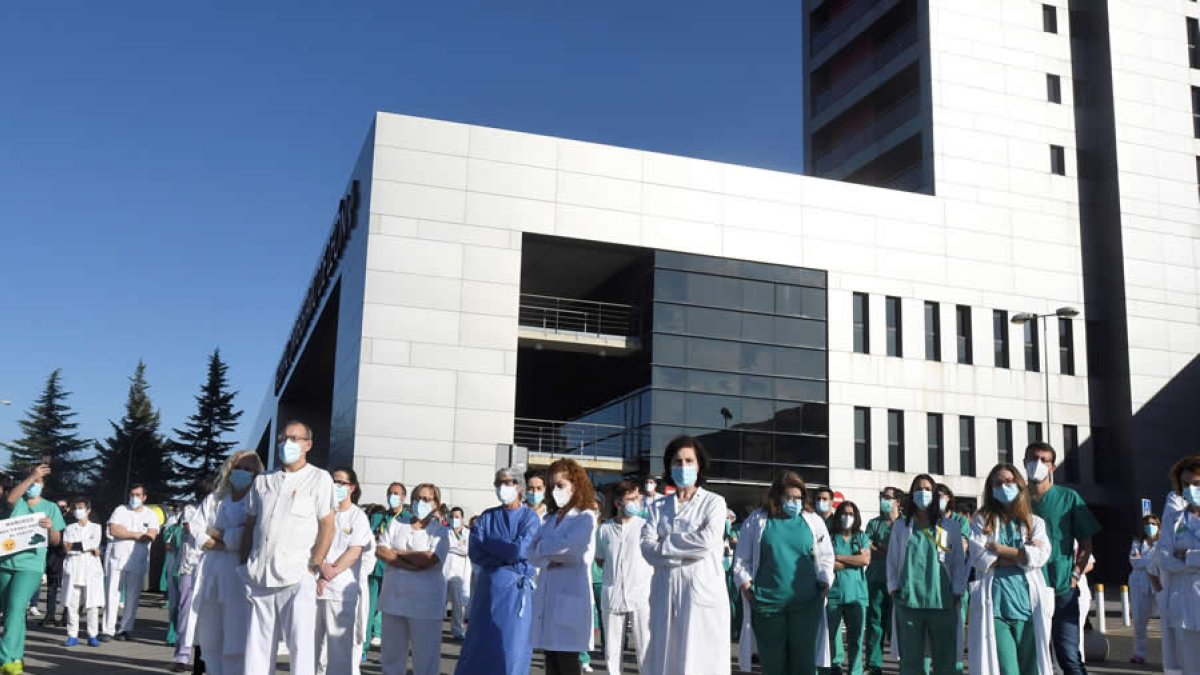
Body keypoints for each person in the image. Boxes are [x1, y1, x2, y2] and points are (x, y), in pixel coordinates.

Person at [240, 421, 336, 675]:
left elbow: (327, 525)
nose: (287, 443)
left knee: (300, 647)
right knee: (256, 648)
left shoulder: (319, 478)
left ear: (308, 445)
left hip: (296, 575)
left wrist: (314, 565)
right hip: (260, 575)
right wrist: (243, 563)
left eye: (295, 438)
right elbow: (250, 524)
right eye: (283, 438)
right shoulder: (263, 480)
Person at [641, 436, 731, 675]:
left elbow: (706, 541)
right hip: (665, 591)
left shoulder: (714, 503)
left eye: (689, 461)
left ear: (699, 464)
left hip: (700, 593)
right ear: (669, 467)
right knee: (665, 658)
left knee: (700, 661)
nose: (683, 467)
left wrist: (666, 544)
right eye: (677, 462)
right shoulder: (657, 507)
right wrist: (681, 550)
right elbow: (646, 548)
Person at [732, 470, 833, 675]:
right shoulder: (758, 520)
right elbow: (742, 559)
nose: (793, 502)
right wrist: (748, 588)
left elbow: (826, 557)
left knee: (804, 664)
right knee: (773, 664)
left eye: (798, 498)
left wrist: (823, 584)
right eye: (789, 497)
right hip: (768, 605)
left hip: (806, 604)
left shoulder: (812, 521)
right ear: (777, 496)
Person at [967, 462, 1053, 675]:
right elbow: (979, 557)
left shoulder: (1035, 523)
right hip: (996, 608)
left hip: (1029, 608)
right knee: (1008, 670)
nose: (1004, 486)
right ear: (991, 489)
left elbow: (1040, 557)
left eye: (1008, 481)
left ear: (1019, 485)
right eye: (998, 483)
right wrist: (1021, 555)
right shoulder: (982, 520)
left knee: (1031, 670)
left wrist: (999, 549)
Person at [453, 468, 541, 675]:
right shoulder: (487, 516)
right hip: (488, 591)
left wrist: (491, 546)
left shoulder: (530, 518)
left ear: (519, 487)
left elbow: (519, 550)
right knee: (479, 645)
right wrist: (506, 551)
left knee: (512, 648)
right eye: (499, 482)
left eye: (509, 482)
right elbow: (475, 552)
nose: (504, 487)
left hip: (515, 592)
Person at [1024, 442, 1100, 675]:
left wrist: (1076, 575)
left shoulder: (1068, 498)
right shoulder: (1016, 500)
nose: (1037, 463)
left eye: (1044, 460)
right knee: (1030, 655)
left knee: (1067, 655)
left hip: (1062, 587)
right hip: (1026, 587)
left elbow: (1086, 542)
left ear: (1052, 467)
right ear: (1024, 462)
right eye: (1033, 458)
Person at [886, 474, 967, 675]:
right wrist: (894, 587)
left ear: (935, 494)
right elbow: (893, 559)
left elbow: (957, 561)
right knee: (911, 662)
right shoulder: (901, 526)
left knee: (944, 661)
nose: (923, 493)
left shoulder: (948, 527)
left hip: (942, 601)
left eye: (927, 489)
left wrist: (957, 590)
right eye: (918, 489)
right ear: (911, 495)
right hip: (909, 602)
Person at [192, 450, 262, 675]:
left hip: (237, 573)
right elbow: (196, 528)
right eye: (239, 468)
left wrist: (218, 535)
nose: (243, 473)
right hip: (210, 570)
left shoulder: (258, 501)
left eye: (249, 469)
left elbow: (248, 536)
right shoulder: (216, 499)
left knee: (235, 635)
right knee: (209, 636)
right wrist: (221, 539)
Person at [528, 459, 597, 675]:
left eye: (561, 485)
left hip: (571, 596)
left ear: (576, 485)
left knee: (566, 660)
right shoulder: (549, 519)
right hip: (548, 597)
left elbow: (571, 551)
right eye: (553, 486)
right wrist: (550, 553)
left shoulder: (585, 516)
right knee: (550, 657)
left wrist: (545, 550)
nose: (556, 490)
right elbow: (530, 551)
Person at [377, 482, 450, 675]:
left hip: (424, 604)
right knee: (391, 655)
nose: (421, 503)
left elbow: (428, 559)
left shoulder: (440, 531)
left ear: (436, 503)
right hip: (394, 599)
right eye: (417, 498)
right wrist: (410, 561)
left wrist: (398, 553)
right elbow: (381, 550)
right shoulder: (397, 523)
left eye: (426, 499)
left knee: (425, 657)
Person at [0, 463, 65, 673]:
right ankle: (16, 659)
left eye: (38, 481)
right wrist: (31, 476)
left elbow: (56, 541)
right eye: (31, 481)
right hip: (6, 564)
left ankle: (5, 660)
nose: (34, 485)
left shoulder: (50, 507)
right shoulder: (16, 501)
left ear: (43, 485)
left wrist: (50, 528)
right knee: (11, 613)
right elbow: (9, 499)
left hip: (31, 566)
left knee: (17, 607)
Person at [316, 468, 372, 675]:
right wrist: (321, 568)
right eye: (334, 481)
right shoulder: (322, 512)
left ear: (352, 487)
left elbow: (354, 551)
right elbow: (312, 544)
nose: (337, 486)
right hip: (315, 587)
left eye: (342, 483)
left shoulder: (358, 517)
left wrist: (329, 574)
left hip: (340, 591)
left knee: (338, 650)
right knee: (310, 648)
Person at [595, 480, 651, 675]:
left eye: (637, 498)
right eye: (631, 499)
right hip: (613, 594)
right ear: (618, 503)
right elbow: (600, 559)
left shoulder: (645, 527)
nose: (636, 502)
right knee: (612, 649)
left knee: (645, 647)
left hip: (641, 594)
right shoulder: (604, 529)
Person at [1153, 454, 1200, 673]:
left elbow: (1175, 558)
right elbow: (1164, 558)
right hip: (1184, 605)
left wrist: (1186, 555)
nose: (1191, 489)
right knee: (1189, 668)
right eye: (1186, 484)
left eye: (1197, 483)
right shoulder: (1174, 519)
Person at [102, 483, 159, 641]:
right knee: (112, 593)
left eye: (138, 495)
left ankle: (125, 629)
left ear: (144, 497)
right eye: (132, 494)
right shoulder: (120, 510)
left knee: (132, 596)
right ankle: (108, 629)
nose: (134, 498)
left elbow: (151, 535)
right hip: (117, 557)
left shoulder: (151, 514)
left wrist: (126, 532)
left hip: (137, 560)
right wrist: (137, 535)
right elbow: (114, 530)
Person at [827, 500, 870, 675]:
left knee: (857, 639)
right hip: (834, 594)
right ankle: (834, 668)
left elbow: (865, 560)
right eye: (844, 513)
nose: (847, 517)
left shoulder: (861, 537)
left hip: (857, 595)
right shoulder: (830, 537)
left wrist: (840, 557)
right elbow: (829, 564)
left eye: (851, 514)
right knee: (833, 638)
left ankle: (855, 671)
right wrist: (854, 560)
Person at [367, 482, 409, 651]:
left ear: (403, 497)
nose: (393, 496)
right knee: (369, 609)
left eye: (397, 493)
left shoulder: (407, 519)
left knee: (394, 611)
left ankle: (392, 645)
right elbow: (370, 540)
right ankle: (364, 646)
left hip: (397, 571)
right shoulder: (378, 517)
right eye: (390, 493)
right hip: (376, 568)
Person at [864, 486, 900, 675]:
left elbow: (902, 550)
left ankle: (905, 663)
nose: (884, 501)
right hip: (875, 580)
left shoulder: (903, 524)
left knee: (897, 626)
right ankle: (873, 665)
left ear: (898, 502)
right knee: (874, 623)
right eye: (882, 497)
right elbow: (866, 546)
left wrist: (880, 548)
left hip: (897, 583)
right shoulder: (874, 524)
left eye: (888, 498)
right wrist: (886, 550)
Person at [61, 498, 104, 648]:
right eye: (75, 508)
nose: (78, 511)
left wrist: (78, 545)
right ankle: (72, 635)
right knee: (72, 603)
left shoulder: (96, 527)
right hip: (73, 567)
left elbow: (94, 543)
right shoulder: (69, 528)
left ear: (88, 510)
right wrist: (87, 546)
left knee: (92, 604)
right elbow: (66, 547)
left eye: (81, 507)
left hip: (91, 568)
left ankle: (93, 635)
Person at [169, 501, 202, 672]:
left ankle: (205, 659)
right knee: (185, 613)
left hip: (210, 567)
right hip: (189, 568)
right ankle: (182, 656)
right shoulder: (191, 509)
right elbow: (191, 528)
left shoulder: (225, 504)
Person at [1128, 514, 1160, 665]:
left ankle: (1172, 655)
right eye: (1147, 524)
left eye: (1153, 523)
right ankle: (1139, 654)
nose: (1150, 526)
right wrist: (1150, 562)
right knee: (1140, 621)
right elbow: (1134, 562)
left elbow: (1161, 561)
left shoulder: (1162, 543)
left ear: (1158, 525)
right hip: (1139, 584)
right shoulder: (1138, 543)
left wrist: (1145, 561)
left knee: (1167, 621)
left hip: (1158, 584)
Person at [445, 506, 472, 640]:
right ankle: (433, 629)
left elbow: (467, 550)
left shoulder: (468, 533)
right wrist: (457, 546)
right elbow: (444, 546)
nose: (454, 519)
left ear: (462, 518)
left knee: (458, 603)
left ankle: (457, 630)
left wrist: (453, 547)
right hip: (445, 570)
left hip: (459, 573)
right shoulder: (445, 532)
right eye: (452, 517)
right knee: (439, 602)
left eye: (457, 517)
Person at [41, 499, 68, 627]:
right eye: (59, 506)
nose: (61, 508)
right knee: (52, 589)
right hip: (53, 557)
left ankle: (65, 617)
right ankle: (50, 615)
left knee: (67, 589)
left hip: (66, 558)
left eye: (64, 506)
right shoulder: (49, 518)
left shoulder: (71, 521)